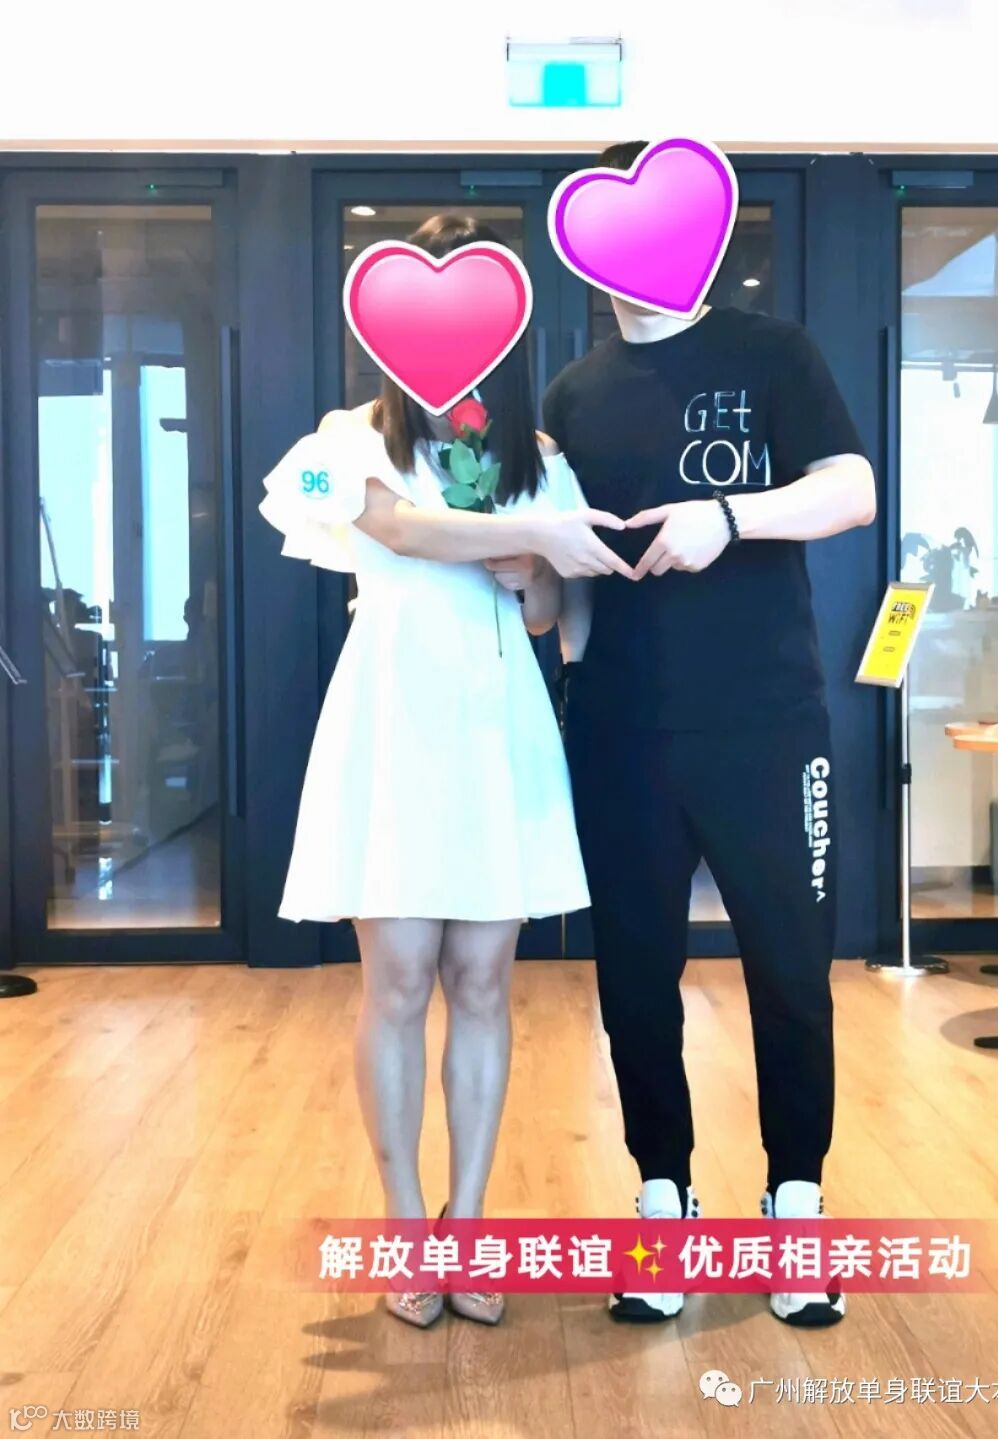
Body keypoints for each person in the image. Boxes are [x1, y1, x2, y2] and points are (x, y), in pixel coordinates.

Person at [259, 214, 633, 1330]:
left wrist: (536, 572)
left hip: (493, 718)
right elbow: (395, 530)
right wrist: (530, 539)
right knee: (397, 980)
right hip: (393, 715)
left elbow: (552, 610)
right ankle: (405, 1225)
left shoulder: (541, 459)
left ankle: (468, 1226)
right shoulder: (348, 438)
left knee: (481, 981)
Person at [544, 142, 877, 1327]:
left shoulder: (771, 353)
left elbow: (852, 489)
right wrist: (552, 612)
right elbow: (572, 586)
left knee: (791, 965)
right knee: (636, 974)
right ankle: (662, 1196)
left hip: (767, 723)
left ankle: (796, 1201)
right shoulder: (573, 394)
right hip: (622, 726)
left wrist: (728, 516)